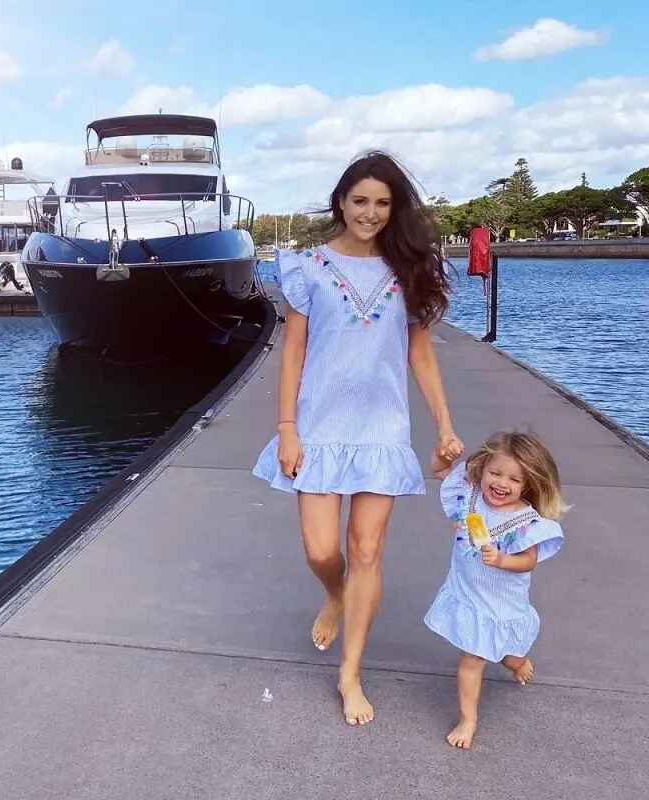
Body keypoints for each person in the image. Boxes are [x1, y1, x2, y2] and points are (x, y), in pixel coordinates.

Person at [252, 150, 464, 726]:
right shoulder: (309, 267)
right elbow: (293, 352)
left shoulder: (406, 271)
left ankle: (350, 675)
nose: (370, 212)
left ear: (394, 209)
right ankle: (338, 593)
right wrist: (287, 429)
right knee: (322, 550)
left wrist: (444, 425)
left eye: (382, 203)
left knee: (367, 550)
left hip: (381, 428)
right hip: (318, 427)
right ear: (341, 202)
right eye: (361, 200)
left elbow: (420, 354)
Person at [424, 430, 569, 749]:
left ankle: (519, 662)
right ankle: (468, 719)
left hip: (502, 604)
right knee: (472, 658)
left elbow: (529, 561)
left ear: (527, 484)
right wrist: (442, 455)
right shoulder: (470, 496)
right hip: (468, 593)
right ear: (483, 468)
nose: (502, 483)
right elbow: (439, 471)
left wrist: (503, 559)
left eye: (514, 479)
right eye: (495, 473)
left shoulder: (526, 521)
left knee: (508, 656)